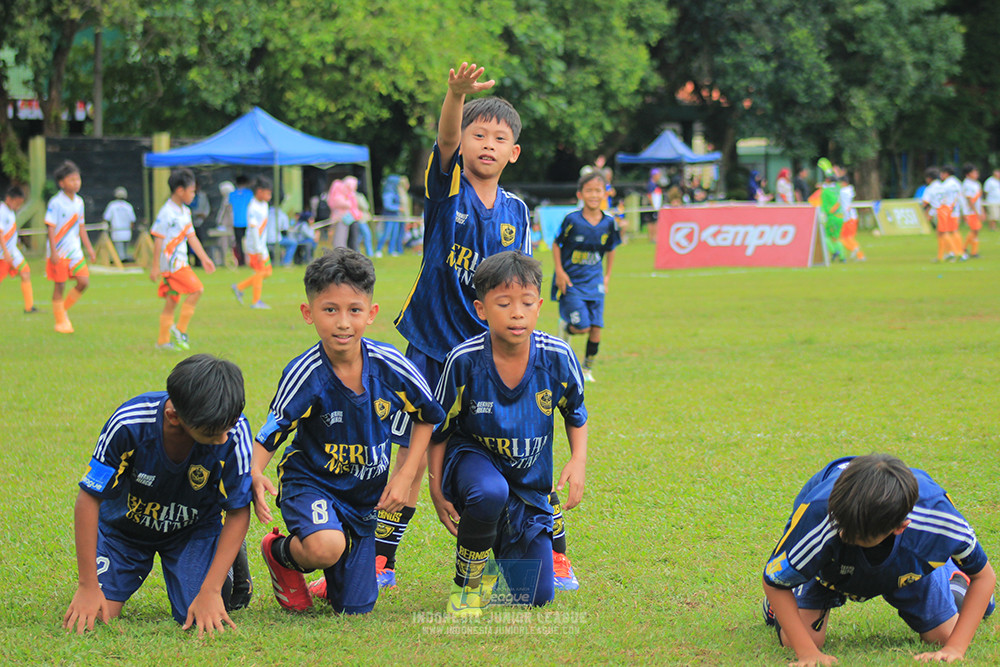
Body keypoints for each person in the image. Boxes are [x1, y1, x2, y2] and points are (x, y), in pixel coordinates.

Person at [380, 62, 533, 591]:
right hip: (430, 344)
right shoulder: (447, 190)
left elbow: (522, 291)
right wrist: (454, 95)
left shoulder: (518, 211)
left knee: (496, 447)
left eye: (499, 137)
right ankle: (383, 559)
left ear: (513, 152)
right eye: (477, 133)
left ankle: (527, 550)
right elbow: (444, 136)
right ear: (462, 143)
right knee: (410, 458)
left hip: (481, 356)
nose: (486, 144)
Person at [251, 249, 445, 614]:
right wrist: (254, 471)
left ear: (370, 314)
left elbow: (428, 415)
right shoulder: (305, 374)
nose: (343, 322)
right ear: (309, 314)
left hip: (363, 499)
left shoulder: (392, 366)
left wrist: (405, 475)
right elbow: (272, 431)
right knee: (326, 546)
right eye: (330, 310)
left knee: (356, 607)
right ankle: (281, 555)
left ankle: (338, 566)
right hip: (312, 482)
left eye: (354, 310)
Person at [429, 251, 588, 616]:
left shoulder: (558, 356)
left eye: (526, 303)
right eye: (503, 303)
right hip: (472, 462)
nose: (517, 312)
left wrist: (577, 461)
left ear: (539, 306)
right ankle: (468, 582)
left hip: (528, 484)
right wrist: (436, 488)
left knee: (535, 595)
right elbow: (438, 431)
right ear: (481, 309)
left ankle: (495, 545)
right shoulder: (464, 360)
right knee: (489, 491)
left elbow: (575, 414)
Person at [62, 354, 255, 637]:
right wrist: (87, 586)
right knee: (102, 615)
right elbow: (89, 498)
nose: (225, 438)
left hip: (193, 530)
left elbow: (238, 510)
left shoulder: (232, 429)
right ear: (174, 417)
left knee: (196, 614)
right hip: (126, 531)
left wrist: (211, 591)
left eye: (229, 427)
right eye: (213, 433)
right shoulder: (129, 424)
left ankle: (225, 559)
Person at [762, 454, 995, 665]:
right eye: (841, 529)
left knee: (944, 636)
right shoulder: (821, 515)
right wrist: (807, 653)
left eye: (855, 535)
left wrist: (956, 647)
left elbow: (984, 576)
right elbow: (774, 581)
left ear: (900, 527)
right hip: (828, 567)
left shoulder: (937, 517)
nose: (843, 535)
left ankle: (953, 579)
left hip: (903, 564)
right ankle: (791, 598)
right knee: (799, 640)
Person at [553, 170, 621, 384]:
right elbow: (557, 244)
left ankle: (586, 369)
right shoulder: (572, 220)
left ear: (605, 193)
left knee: (596, 328)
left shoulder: (609, 223)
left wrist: (607, 276)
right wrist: (560, 272)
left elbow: (611, 248)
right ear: (580, 194)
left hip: (595, 282)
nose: (594, 195)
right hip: (572, 282)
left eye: (598, 190)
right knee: (582, 327)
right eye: (589, 190)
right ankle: (566, 326)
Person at [150, 168, 217, 351]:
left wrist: (204, 258)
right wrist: (155, 266)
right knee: (197, 290)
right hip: (173, 265)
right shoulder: (166, 213)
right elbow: (158, 239)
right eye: (192, 191)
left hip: (181, 263)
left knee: (172, 301)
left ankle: (163, 342)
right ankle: (180, 330)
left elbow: (192, 237)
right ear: (180, 190)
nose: (194, 195)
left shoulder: (185, 212)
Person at [45, 160, 96, 334]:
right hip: (59, 251)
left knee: (83, 282)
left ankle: (62, 312)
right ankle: (60, 322)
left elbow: (81, 227)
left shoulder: (79, 202)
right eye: (72, 179)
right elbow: (50, 227)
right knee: (59, 285)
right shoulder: (56, 202)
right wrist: (53, 251)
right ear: (62, 183)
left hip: (75, 251)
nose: (76, 183)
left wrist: (89, 248)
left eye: (78, 179)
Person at [231, 177, 273, 309]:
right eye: (267, 193)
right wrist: (258, 250)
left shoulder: (264, 205)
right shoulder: (253, 208)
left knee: (268, 272)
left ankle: (239, 287)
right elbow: (254, 231)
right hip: (255, 246)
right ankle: (256, 301)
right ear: (259, 191)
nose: (269, 196)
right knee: (260, 272)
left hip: (262, 245)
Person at [0, 185, 37, 314]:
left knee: (25, 271)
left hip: (13, 251)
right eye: (17, 203)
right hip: (3, 254)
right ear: (9, 199)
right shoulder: (2, 211)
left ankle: (29, 307)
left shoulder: (10, 212)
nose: (18, 206)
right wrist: (5, 252)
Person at [937, 165, 964, 262]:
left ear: (946, 173)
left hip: (947, 210)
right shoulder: (957, 183)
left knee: (944, 232)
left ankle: (954, 253)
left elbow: (942, 198)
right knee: (954, 231)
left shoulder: (945, 185)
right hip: (955, 211)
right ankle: (959, 252)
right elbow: (960, 197)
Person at [102, 186, 136, 261]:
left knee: (119, 253)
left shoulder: (112, 205)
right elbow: (132, 220)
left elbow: (106, 218)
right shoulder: (128, 206)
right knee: (124, 251)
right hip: (127, 232)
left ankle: (121, 262)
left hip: (116, 232)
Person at [817, 170, 845, 262]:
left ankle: (833, 251)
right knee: (836, 238)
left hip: (831, 216)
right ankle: (842, 257)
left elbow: (824, 206)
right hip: (840, 216)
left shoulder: (825, 192)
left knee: (825, 236)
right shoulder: (838, 188)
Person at [375, 174, 405, 258]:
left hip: (396, 217)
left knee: (394, 234)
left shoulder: (395, 191)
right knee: (386, 233)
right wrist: (398, 208)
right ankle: (379, 249)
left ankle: (391, 250)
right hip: (389, 216)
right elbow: (387, 205)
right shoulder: (388, 193)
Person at [327, 178, 360, 249]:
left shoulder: (342, 196)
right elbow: (348, 204)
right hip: (340, 220)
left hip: (344, 220)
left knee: (344, 237)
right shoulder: (337, 198)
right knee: (339, 238)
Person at [837, 174, 865, 261]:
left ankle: (858, 253)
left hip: (849, 218)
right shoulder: (850, 190)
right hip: (851, 217)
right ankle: (855, 251)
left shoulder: (843, 192)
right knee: (843, 237)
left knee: (846, 237)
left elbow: (842, 204)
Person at [228, 175, 253, 266]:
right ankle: (250, 260)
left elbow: (230, 208)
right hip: (247, 221)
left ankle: (241, 262)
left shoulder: (232, 194)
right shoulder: (249, 193)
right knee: (249, 242)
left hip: (236, 222)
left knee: (239, 243)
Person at [959, 163, 983, 259]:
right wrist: (975, 211)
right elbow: (969, 200)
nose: (976, 174)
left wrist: (981, 211)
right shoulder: (967, 184)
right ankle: (970, 250)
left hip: (976, 210)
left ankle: (969, 249)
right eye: (974, 173)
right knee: (975, 229)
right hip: (970, 211)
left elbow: (978, 200)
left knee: (976, 230)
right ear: (968, 174)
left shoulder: (976, 184)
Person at [982, 167, 1000, 232]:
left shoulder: (998, 181)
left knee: (996, 215)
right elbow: (986, 191)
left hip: (998, 201)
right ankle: (992, 227)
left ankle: (994, 227)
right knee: (993, 216)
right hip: (991, 201)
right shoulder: (990, 181)